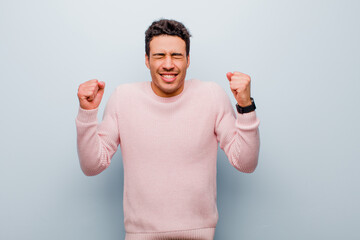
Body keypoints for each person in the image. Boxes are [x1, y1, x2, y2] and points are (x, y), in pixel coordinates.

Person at [76, 19, 260, 240]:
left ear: (188, 60)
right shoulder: (123, 98)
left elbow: (246, 163)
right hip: (139, 235)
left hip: (201, 235)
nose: (168, 64)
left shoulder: (211, 95)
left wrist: (246, 106)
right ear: (147, 60)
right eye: (159, 56)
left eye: (176, 55)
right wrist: (87, 113)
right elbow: (92, 166)